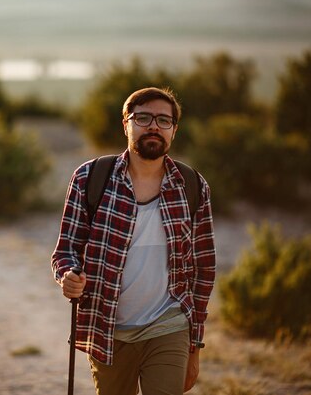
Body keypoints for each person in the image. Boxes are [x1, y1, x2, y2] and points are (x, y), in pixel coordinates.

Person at [51, 87, 216, 395]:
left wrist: (195, 346)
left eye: (164, 120)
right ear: (125, 124)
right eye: (142, 118)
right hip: (108, 327)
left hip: (169, 323)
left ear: (174, 130)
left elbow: (203, 270)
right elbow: (66, 249)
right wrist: (68, 276)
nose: (154, 126)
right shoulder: (90, 178)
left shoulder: (192, 186)